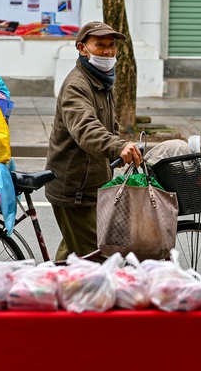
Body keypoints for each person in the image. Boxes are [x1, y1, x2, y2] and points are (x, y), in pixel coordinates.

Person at [44, 21, 143, 261]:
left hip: (91, 184)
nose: (108, 51)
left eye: (111, 46)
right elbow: (86, 129)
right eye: (100, 45)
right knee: (101, 261)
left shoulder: (101, 81)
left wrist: (120, 147)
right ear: (82, 48)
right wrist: (118, 147)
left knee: (73, 256)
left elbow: (107, 125)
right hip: (75, 188)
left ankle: (54, 288)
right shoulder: (77, 85)